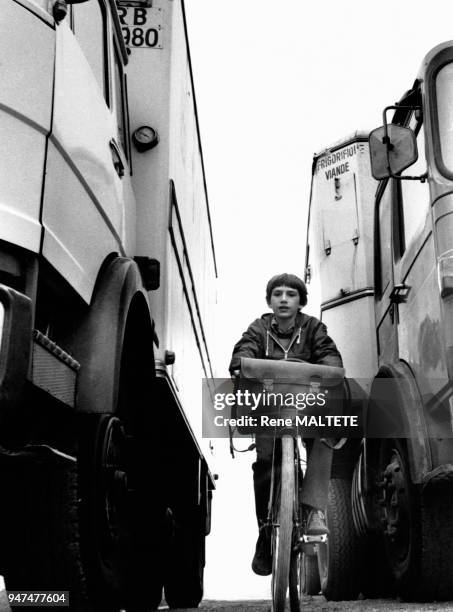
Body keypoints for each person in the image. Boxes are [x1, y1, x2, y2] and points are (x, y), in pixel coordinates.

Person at [229, 273, 343, 576]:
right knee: (264, 461)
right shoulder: (258, 328)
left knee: (325, 435)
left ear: (300, 301)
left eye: (290, 294)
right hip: (269, 406)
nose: (283, 298)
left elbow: (330, 356)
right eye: (277, 293)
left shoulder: (314, 328)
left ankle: (312, 511)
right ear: (269, 301)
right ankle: (266, 533)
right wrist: (243, 363)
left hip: (305, 404)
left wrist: (328, 371)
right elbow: (242, 353)